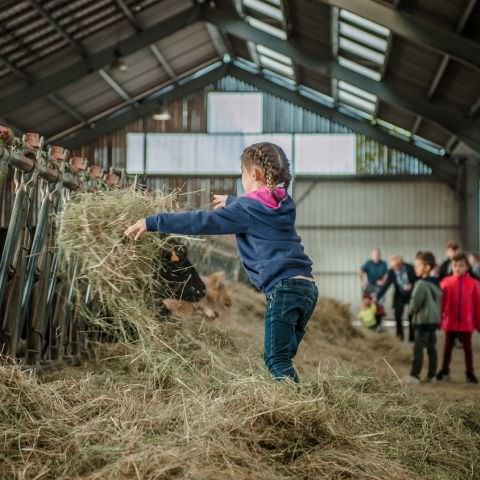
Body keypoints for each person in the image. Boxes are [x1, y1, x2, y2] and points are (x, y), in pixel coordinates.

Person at [124, 142, 318, 383]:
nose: (242, 179)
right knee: (284, 357)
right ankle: (295, 400)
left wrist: (153, 222)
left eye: (242, 174)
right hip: (306, 288)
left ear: (254, 174)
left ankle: (295, 410)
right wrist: (232, 201)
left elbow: (201, 221)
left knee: (276, 360)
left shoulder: (246, 210)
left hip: (283, 290)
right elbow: (260, 205)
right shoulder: (285, 203)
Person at [436, 252, 480, 384]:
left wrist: (478, 324)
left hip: (466, 323)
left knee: (468, 348)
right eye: (455, 265)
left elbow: (477, 305)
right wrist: (439, 321)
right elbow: (440, 304)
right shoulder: (445, 283)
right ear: (451, 266)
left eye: (461, 265)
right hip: (450, 322)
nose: (457, 268)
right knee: (447, 347)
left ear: (467, 267)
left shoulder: (473, 284)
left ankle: (470, 373)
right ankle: (444, 371)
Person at [404, 251, 442, 384]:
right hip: (433, 321)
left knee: (418, 349)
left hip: (422, 321)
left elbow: (415, 304)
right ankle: (432, 376)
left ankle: (414, 375)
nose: (415, 268)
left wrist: (410, 311)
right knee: (432, 348)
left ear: (427, 267)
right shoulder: (435, 283)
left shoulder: (420, 284)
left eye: (418, 265)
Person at [376, 255, 416, 341]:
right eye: (392, 266)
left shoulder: (410, 268)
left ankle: (412, 338)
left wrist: (412, 285)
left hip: (411, 294)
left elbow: (416, 279)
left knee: (411, 316)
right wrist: (377, 297)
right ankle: (400, 337)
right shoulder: (391, 272)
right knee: (398, 316)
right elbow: (386, 285)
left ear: (400, 264)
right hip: (399, 295)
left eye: (395, 266)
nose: (393, 268)